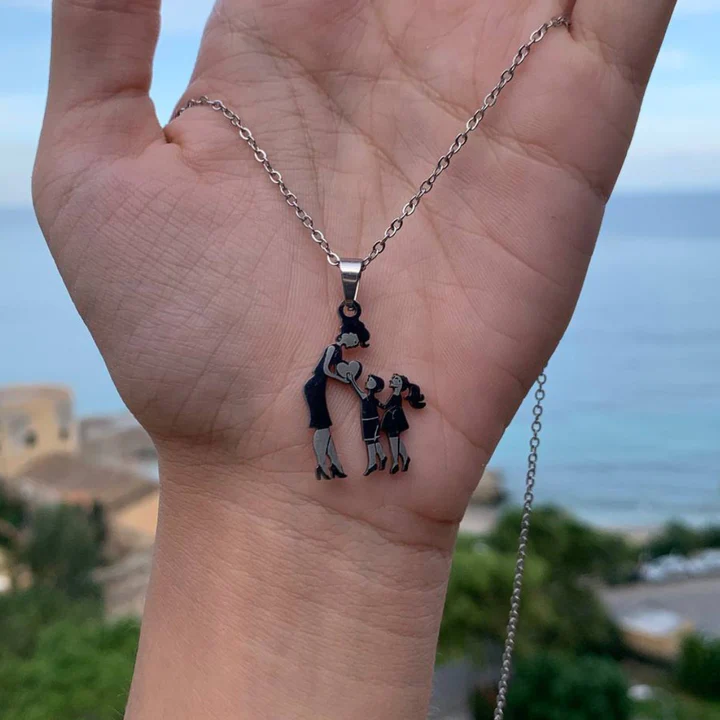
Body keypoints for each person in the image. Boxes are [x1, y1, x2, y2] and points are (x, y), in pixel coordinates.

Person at [32, 2, 676, 718]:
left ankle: (354, 467)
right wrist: (294, 457)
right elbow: (335, 379)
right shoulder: (331, 368)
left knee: (357, 444)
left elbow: (351, 381)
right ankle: (346, 467)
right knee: (336, 445)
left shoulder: (351, 365)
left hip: (346, 433)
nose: (358, 346)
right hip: (325, 423)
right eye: (354, 344)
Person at [303, 305, 370, 479]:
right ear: (348, 333)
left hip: (319, 387)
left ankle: (335, 465)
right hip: (315, 386)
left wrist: (346, 378)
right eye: (355, 340)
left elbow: (335, 370)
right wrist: (342, 380)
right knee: (322, 426)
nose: (354, 344)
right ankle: (322, 464)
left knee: (325, 427)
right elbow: (325, 369)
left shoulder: (339, 351)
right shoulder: (333, 348)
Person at [382, 374, 426, 473]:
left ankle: (395, 462)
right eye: (393, 378)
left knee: (393, 440)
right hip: (393, 419)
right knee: (396, 440)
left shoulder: (396, 396)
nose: (392, 379)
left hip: (394, 419)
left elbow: (386, 406)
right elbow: (386, 406)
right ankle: (405, 458)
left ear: (400, 383)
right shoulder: (395, 395)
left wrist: (376, 402)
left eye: (395, 379)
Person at [348, 372, 388, 475]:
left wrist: (352, 380)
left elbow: (357, 390)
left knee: (371, 442)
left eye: (370, 380)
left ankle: (372, 463)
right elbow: (384, 406)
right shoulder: (369, 398)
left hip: (373, 422)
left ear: (375, 385)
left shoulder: (367, 397)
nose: (366, 381)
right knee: (373, 441)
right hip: (367, 422)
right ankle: (382, 457)